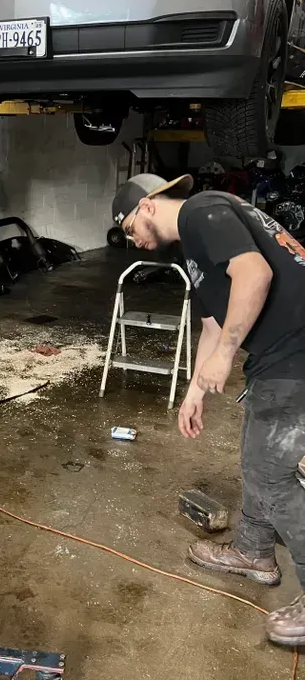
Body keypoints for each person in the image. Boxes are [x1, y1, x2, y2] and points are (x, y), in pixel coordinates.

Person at [112, 173, 305, 647]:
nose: (131, 238)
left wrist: (225, 357)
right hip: (280, 355)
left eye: (129, 224)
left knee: (271, 474)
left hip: (296, 352)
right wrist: (195, 391)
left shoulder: (203, 211)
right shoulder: (194, 247)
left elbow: (255, 274)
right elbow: (212, 324)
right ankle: (254, 552)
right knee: (257, 459)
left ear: (151, 205)